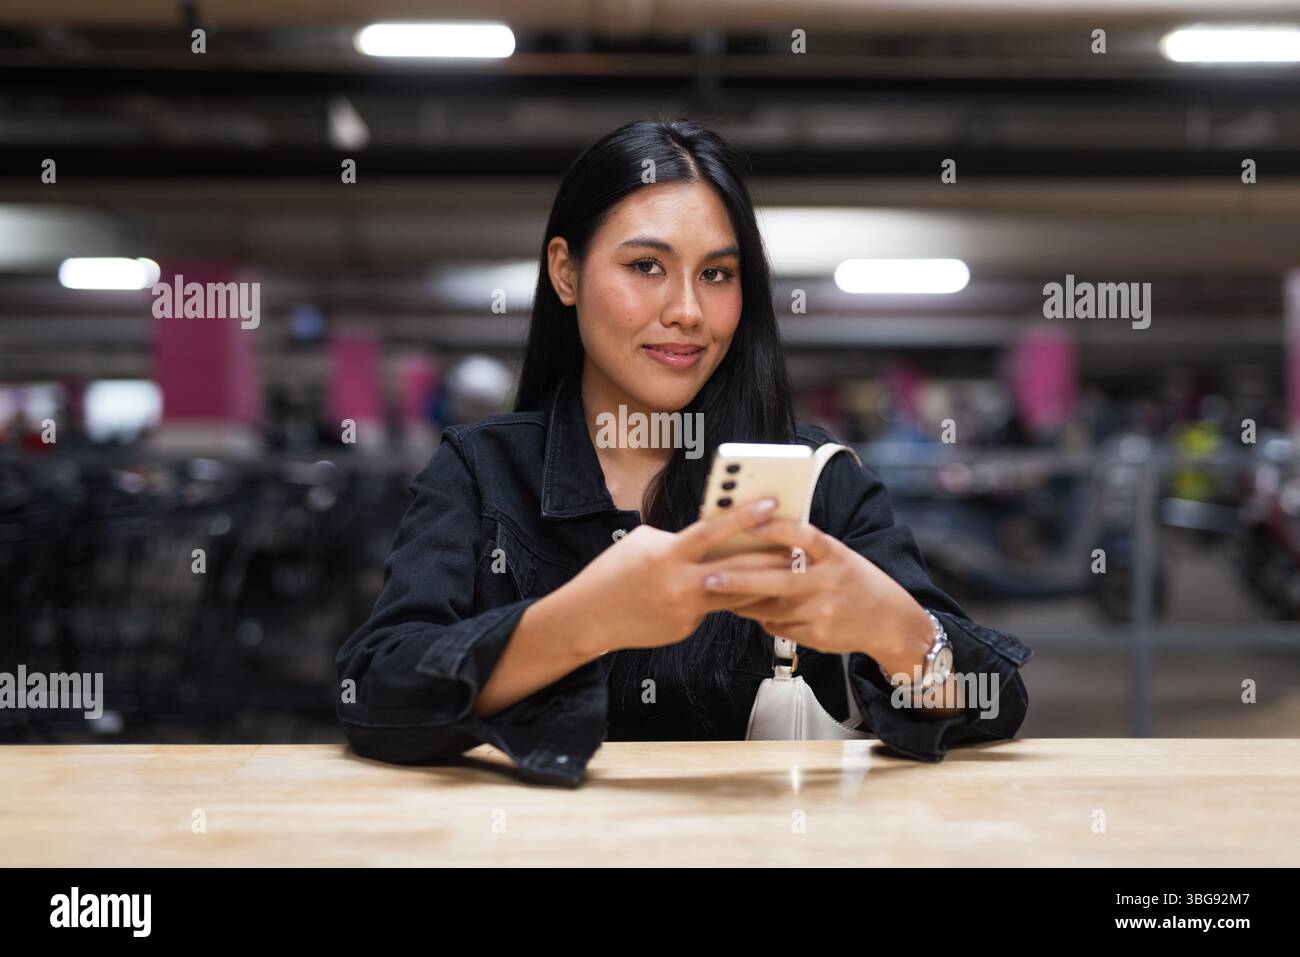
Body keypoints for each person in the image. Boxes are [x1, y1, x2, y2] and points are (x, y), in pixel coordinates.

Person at [336, 118, 1032, 785]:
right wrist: (582, 620)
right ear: (565, 272)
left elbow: (997, 702)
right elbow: (376, 690)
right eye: (646, 265)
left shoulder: (815, 480)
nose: (688, 311)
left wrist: (896, 629)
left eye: (718, 275)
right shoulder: (481, 474)